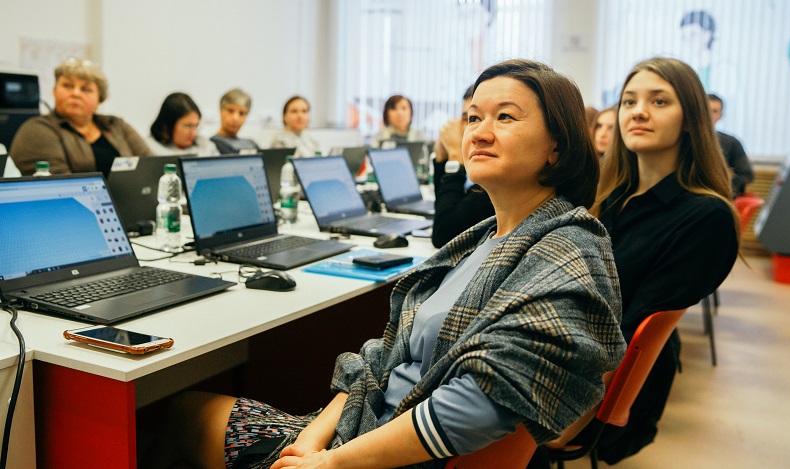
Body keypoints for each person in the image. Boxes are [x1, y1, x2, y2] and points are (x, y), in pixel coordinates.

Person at [146, 59, 627, 469]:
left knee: (176, 413)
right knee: (184, 410)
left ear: (557, 144)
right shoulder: (489, 238)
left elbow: (480, 404)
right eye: (472, 117)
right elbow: (385, 357)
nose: (479, 132)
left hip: (386, 456)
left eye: (504, 117)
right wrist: (311, 442)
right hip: (363, 433)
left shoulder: (568, 249)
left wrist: (330, 462)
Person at [589, 57, 739, 463]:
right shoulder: (610, 197)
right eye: (629, 101)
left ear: (690, 119)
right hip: (572, 354)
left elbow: (629, 330)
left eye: (659, 101)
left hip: (608, 388)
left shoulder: (706, 217)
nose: (638, 112)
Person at [9, 57, 152, 176]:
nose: (76, 93)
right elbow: (62, 186)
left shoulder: (115, 124)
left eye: (86, 89)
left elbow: (151, 165)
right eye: (67, 86)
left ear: (100, 98)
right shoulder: (37, 129)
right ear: (54, 91)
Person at [431, 84, 494, 248]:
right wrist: (442, 160)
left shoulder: (495, 180)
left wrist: (455, 157)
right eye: (471, 119)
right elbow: (445, 209)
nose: (477, 132)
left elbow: (443, 235)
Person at [708, 93, 754, 198]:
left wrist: (727, 189)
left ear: (720, 115)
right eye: (706, 109)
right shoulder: (683, 139)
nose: (709, 114)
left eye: (714, 111)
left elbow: (746, 175)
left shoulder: (731, 142)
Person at [147, 92, 219, 156]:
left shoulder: (205, 145)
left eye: (196, 126)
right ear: (167, 125)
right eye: (187, 126)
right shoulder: (149, 148)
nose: (193, 133)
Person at [212, 88, 259, 154]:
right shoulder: (211, 146)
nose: (235, 118)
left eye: (241, 113)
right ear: (220, 110)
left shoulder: (251, 144)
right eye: (230, 111)